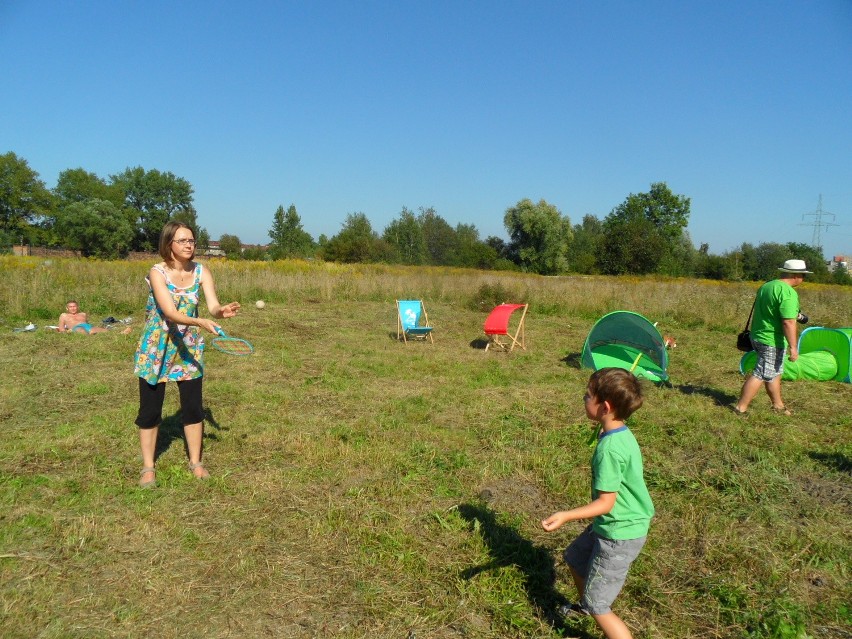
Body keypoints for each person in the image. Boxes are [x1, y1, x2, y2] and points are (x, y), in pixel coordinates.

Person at [541, 368, 654, 639]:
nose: (583, 398)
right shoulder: (619, 433)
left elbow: (605, 503)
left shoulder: (610, 450)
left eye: (587, 395)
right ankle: (587, 605)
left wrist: (566, 515)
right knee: (575, 558)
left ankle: (594, 607)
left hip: (620, 533)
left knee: (600, 605)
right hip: (614, 524)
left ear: (604, 406)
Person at [133, 221, 240, 488]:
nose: (189, 245)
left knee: (193, 408)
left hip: (188, 348)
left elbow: (212, 305)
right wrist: (202, 322)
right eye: (183, 241)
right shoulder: (157, 272)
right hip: (157, 347)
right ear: (169, 244)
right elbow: (170, 312)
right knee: (150, 410)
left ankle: (196, 462)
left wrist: (220, 311)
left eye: (191, 240)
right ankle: (148, 467)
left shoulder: (202, 271)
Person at [733, 259, 811, 416]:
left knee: (774, 372)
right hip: (771, 340)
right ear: (796, 275)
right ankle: (740, 408)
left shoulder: (767, 286)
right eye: (803, 275)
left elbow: (773, 310)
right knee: (761, 373)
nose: (803, 278)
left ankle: (778, 405)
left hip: (758, 336)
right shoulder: (788, 292)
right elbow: (788, 322)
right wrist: (794, 347)